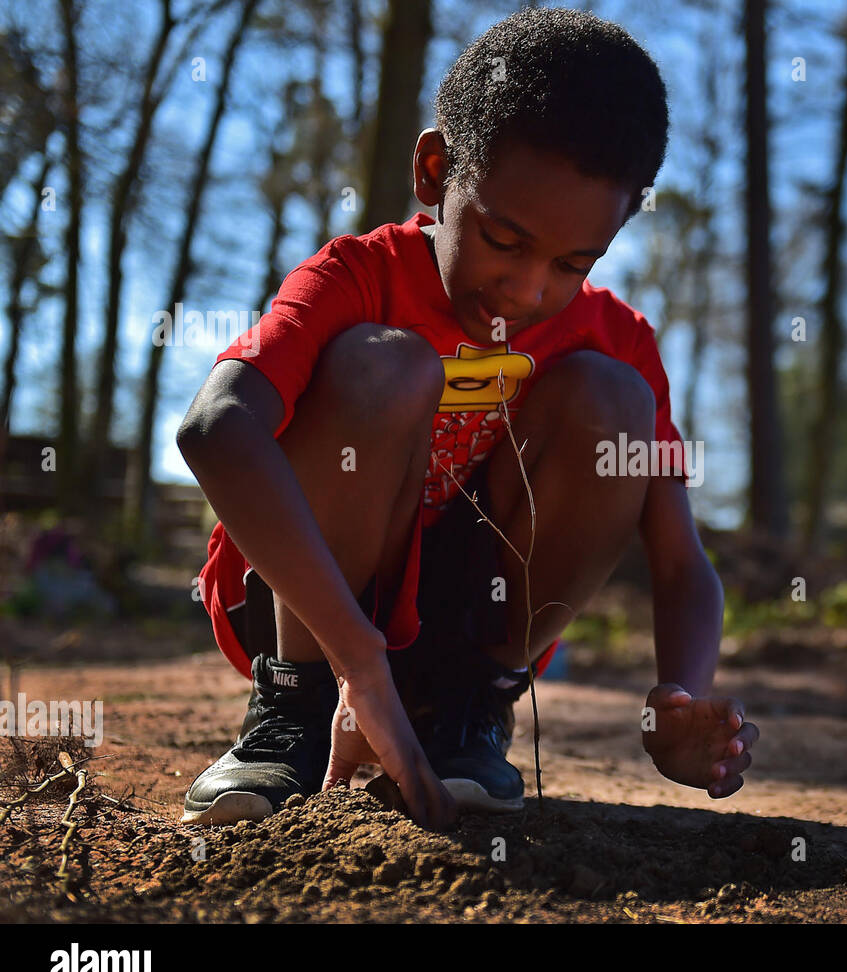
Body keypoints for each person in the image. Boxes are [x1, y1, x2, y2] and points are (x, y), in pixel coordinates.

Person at [178, 7, 758, 830]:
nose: (526, 290)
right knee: (387, 364)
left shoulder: (616, 337)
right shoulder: (354, 276)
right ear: (434, 170)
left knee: (615, 400)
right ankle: (293, 718)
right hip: (313, 610)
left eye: (570, 264)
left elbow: (681, 564)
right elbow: (215, 427)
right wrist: (355, 659)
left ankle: (464, 717)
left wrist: (679, 697)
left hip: (467, 620)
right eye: (501, 237)